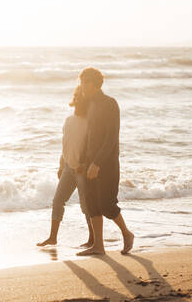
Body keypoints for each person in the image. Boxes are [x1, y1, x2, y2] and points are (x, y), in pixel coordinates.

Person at [76, 67, 134, 256]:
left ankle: (127, 233)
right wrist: (83, 161)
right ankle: (99, 246)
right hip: (90, 163)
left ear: (94, 84)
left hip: (107, 164)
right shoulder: (90, 104)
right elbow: (88, 137)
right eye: (81, 82)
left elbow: (111, 138)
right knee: (92, 203)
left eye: (84, 83)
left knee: (107, 205)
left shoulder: (110, 103)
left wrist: (97, 163)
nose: (81, 87)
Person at [37, 86, 94, 247]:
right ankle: (52, 237)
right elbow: (66, 145)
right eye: (75, 97)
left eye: (79, 98)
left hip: (82, 170)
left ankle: (92, 238)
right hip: (68, 168)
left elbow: (90, 147)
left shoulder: (89, 122)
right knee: (57, 201)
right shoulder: (69, 121)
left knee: (86, 205)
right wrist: (61, 164)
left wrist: (85, 165)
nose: (76, 100)